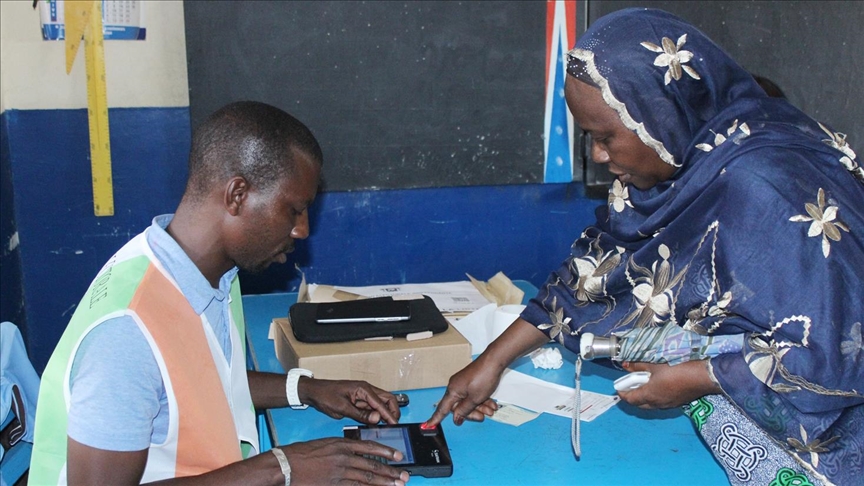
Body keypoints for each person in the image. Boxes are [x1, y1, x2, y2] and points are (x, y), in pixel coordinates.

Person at [427, 8, 863, 485]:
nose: (597, 155)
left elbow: (835, 353)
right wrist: (492, 360)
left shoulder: (767, 188)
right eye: (589, 138)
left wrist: (698, 378)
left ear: (659, 116)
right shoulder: (679, 169)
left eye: (604, 137)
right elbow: (593, 275)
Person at [30, 101, 411, 486]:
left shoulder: (207, 273)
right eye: (294, 209)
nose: (302, 230)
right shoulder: (125, 336)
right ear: (237, 195)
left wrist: (306, 389)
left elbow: (198, 382)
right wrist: (281, 468)